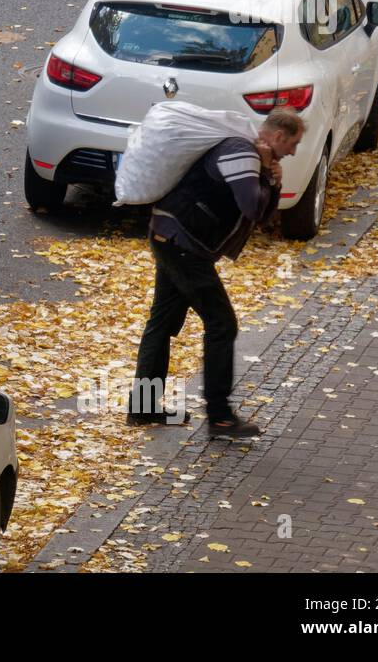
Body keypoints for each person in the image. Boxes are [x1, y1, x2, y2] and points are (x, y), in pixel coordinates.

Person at [127, 107, 306, 439]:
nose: (293, 152)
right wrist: (265, 174)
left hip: (175, 237)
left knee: (163, 322)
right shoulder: (241, 153)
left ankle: (143, 409)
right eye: (292, 144)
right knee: (222, 323)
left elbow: (262, 217)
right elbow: (250, 206)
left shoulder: (255, 159)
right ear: (279, 136)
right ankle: (220, 417)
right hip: (181, 242)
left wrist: (272, 181)